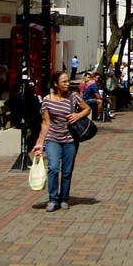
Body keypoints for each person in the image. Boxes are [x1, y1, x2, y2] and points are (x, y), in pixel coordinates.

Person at [31, 70, 91, 212]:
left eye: (68, 81)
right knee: (53, 168)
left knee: (66, 171)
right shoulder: (47, 100)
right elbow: (45, 123)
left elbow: (87, 109)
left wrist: (78, 115)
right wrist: (40, 143)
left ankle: (64, 198)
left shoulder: (73, 97)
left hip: (70, 139)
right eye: (64, 82)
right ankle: (52, 199)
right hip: (53, 139)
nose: (67, 84)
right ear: (56, 84)